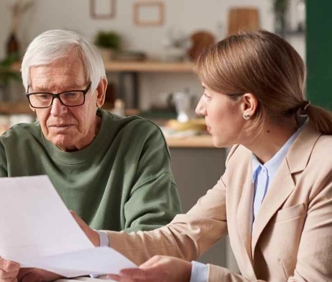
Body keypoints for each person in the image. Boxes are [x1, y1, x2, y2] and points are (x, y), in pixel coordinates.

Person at [74, 30, 332, 282]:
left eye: (208, 94)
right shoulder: (242, 158)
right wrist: (95, 242)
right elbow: (183, 237)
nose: (199, 108)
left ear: (247, 105)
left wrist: (196, 276)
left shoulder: (325, 167)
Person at [0, 29, 182, 280]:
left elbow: (156, 240)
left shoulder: (139, 139)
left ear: (99, 93)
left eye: (71, 94)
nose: (57, 111)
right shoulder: (14, 146)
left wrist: (59, 268)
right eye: (43, 96)